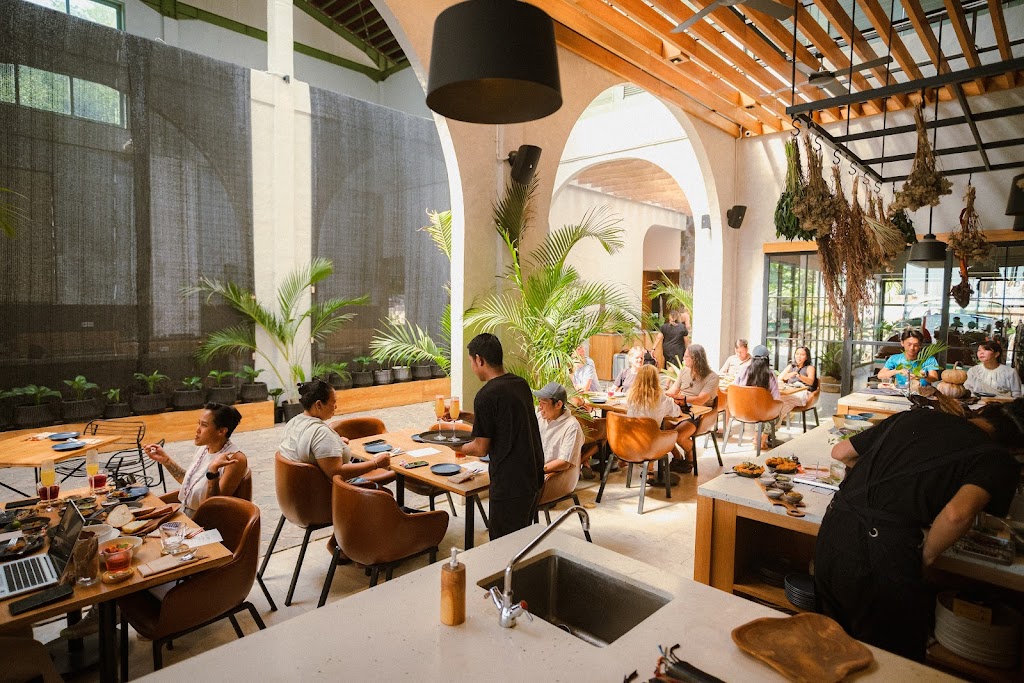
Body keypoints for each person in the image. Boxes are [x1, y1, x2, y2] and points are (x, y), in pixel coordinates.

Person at [815, 399, 1024, 661]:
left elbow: (843, 452)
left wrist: (889, 492)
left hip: (833, 532)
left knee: (829, 648)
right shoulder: (997, 457)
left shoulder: (912, 417)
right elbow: (957, 514)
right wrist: (925, 556)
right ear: (1017, 448)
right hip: (881, 557)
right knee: (891, 659)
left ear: (985, 412)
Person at [459, 334, 545, 539]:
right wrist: (465, 416)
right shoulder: (519, 384)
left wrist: (454, 446)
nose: (472, 367)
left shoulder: (486, 395)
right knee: (522, 540)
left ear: (479, 359)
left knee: (503, 544)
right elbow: (502, 421)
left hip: (509, 483)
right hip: (532, 476)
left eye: (471, 362)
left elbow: (480, 448)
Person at [144, 403, 249, 518]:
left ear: (221, 431)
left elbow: (214, 507)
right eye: (199, 423)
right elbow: (190, 482)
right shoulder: (204, 448)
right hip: (185, 513)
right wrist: (166, 460)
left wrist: (213, 471)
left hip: (203, 521)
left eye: (204, 425)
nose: (197, 430)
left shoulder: (234, 459)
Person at [277, 379, 392, 482]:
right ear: (319, 404)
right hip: (338, 492)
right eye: (333, 402)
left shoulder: (294, 422)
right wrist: (376, 463)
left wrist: (335, 442)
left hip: (303, 488)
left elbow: (307, 447)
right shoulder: (321, 433)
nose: (335, 407)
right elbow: (337, 472)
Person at [625, 365, 695, 473]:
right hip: (652, 443)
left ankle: (651, 471)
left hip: (631, 440)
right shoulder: (661, 398)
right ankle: (653, 469)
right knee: (667, 432)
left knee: (659, 430)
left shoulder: (630, 396)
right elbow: (676, 413)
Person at [533, 382, 585, 503]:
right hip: (536, 473)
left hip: (553, 479)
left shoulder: (571, 426)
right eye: (539, 402)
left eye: (543, 403)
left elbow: (564, 463)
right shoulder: (539, 417)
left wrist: (535, 470)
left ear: (558, 404)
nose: (540, 407)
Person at [734, 344, 784, 449]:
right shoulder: (770, 375)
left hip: (742, 411)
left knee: (761, 410)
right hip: (760, 412)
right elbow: (776, 398)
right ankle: (762, 440)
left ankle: (756, 438)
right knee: (774, 412)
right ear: (767, 359)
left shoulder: (743, 370)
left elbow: (735, 388)